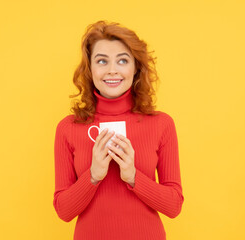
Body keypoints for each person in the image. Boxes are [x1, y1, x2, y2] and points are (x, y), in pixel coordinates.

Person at [53, 20, 184, 240]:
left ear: (135, 68)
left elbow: (174, 206)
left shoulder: (161, 124)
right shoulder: (68, 128)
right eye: (102, 61)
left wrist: (133, 177)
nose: (112, 70)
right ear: (90, 69)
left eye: (122, 60)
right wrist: (93, 175)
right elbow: (64, 211)